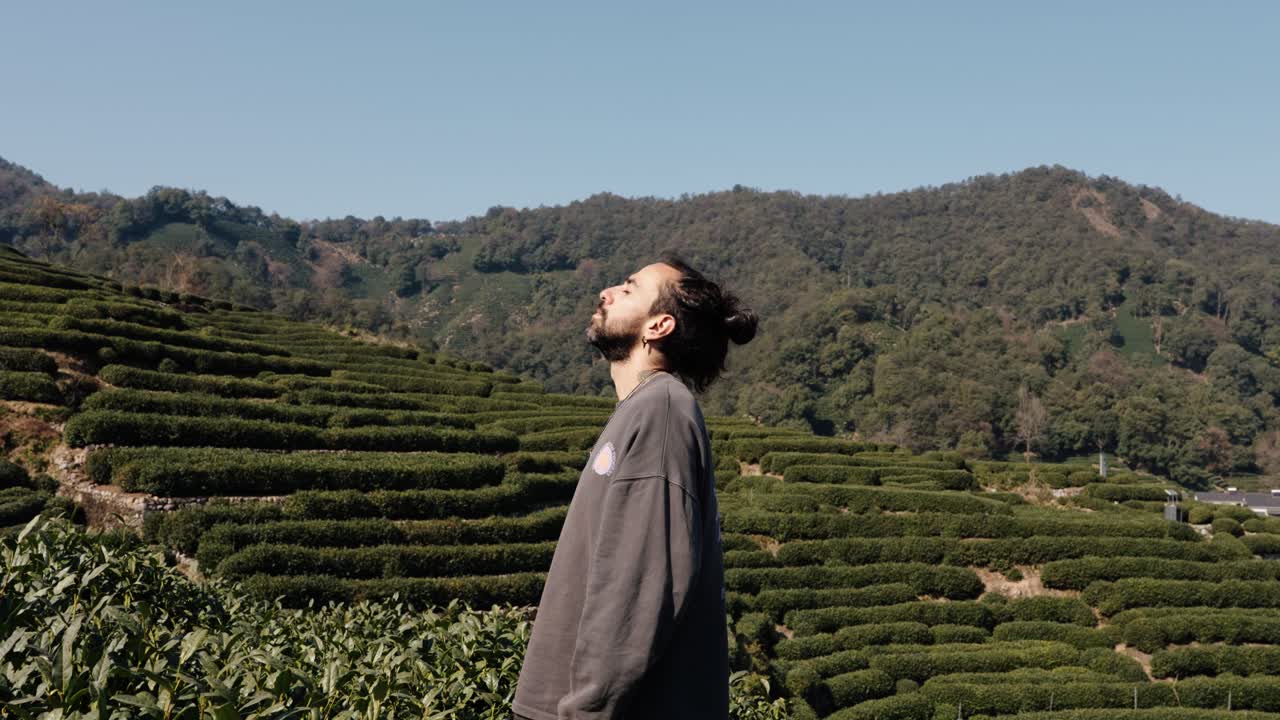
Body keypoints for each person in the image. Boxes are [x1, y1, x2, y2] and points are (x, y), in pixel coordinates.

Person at [511, 253, 758, 720]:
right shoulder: (645, 411)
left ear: (658, 326)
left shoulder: (661, 413)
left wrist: (587, 710)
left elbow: (638, 586)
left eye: (628, 289)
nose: (606, 292)